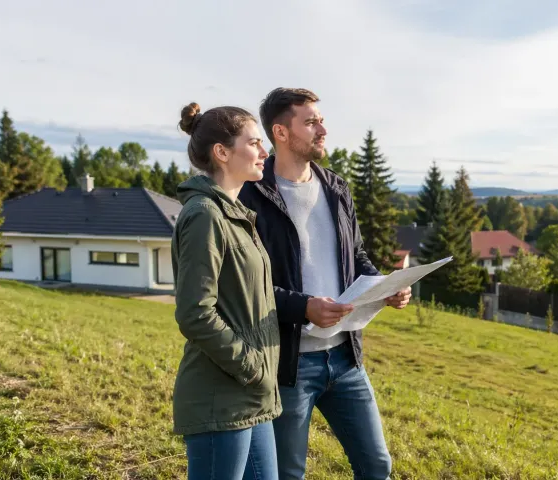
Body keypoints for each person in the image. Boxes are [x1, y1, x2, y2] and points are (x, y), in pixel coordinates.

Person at [239, 88, 411, 480]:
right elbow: (248, 284)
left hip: (346, 359)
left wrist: (385, 286)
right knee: (287, 473)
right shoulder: (251, 194)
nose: (323, 129)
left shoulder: (336, 187)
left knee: (376, 465)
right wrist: (303, 307)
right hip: (289, 365)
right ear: (280, 132)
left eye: (321, 120)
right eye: (312, 121)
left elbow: (356, 256)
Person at [171, 102, 281, 479]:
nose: (265, 152)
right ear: (222, 152)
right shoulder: (205, 215)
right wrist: (251, 366)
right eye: (254, 142)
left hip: (252, 395)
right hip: (223, 397)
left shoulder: (235, 214)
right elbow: (194, 312)